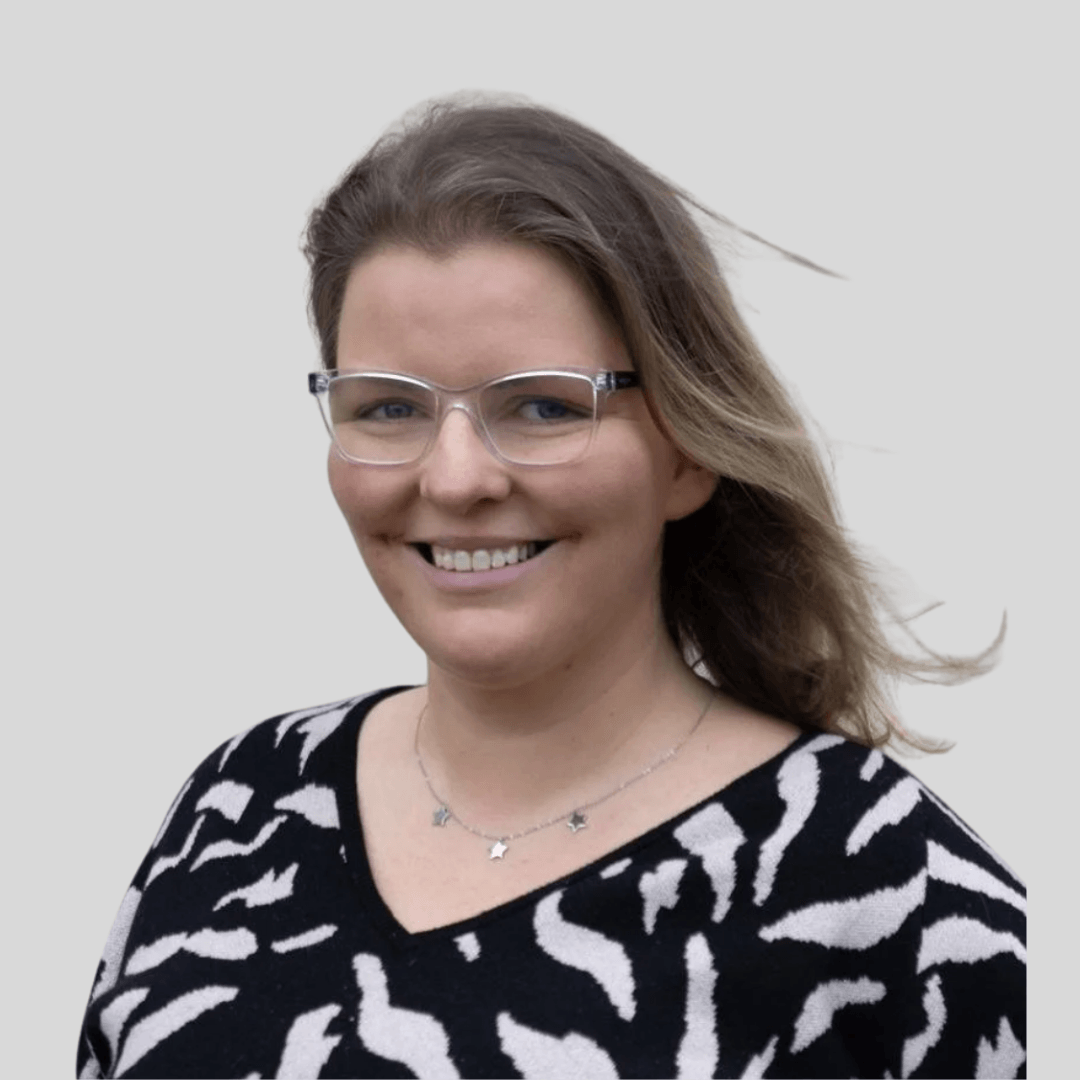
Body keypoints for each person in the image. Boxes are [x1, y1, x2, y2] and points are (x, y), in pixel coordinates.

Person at [77, 95, 1026, 1079]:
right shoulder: (238, 806)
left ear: (688, 448)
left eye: (539, 405)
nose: (454, 478)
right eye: (389, 408)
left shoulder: (894, 896)